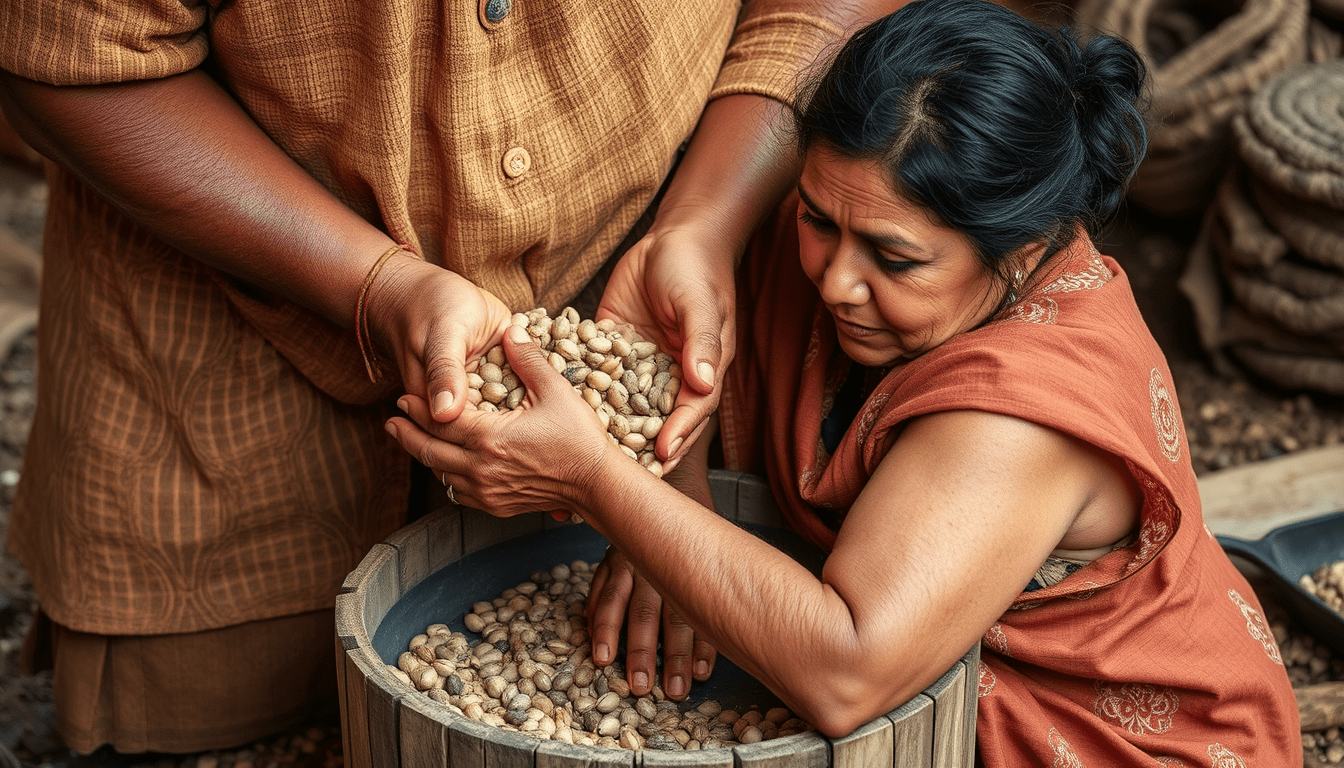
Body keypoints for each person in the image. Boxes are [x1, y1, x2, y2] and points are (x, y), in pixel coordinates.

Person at [385, 0, 1302, 763]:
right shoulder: (844, 223)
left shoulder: (1025, 412)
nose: (833, 280)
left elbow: (845, 672)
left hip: (1112, 741)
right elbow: (691, 371)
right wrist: (678, 484)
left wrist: (598, 480)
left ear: (1021, 253)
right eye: (820, 221)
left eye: (895, 260)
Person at [0, 0, 904, 755]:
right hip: (230, 338)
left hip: (643, 240)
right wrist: (373, 286)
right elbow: (66, 55)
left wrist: (702, 220)